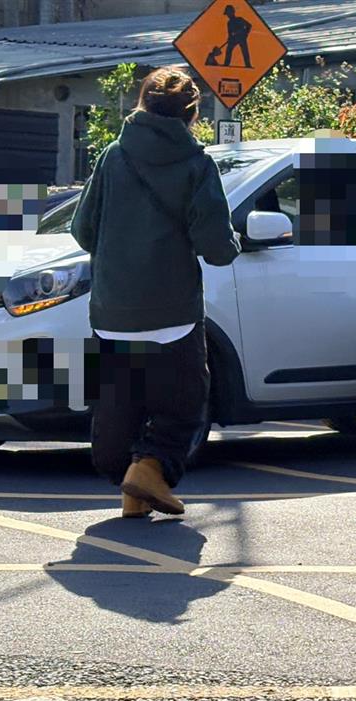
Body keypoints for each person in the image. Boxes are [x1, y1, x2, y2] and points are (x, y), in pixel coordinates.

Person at [72, 67, 240, 519]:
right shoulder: (196, 164)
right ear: (192, 115)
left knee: (118, 404)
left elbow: (82, 229)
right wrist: (232, 242)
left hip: (112, 310)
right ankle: (149, 470)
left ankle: (132, 487)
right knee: (184, 403)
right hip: (173, 314)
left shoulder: (112, 156)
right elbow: (216, 248)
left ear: (141, 104)